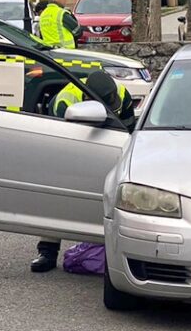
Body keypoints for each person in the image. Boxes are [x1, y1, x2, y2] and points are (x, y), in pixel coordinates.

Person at [30, 70, 136, 272]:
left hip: (111, 149)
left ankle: (114, 249)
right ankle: (47, 252)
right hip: (71, 153)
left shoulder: (122, 94)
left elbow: (130, 134)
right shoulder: (64, 101)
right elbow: (60, 143)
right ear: (88, 97)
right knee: (56, 197)